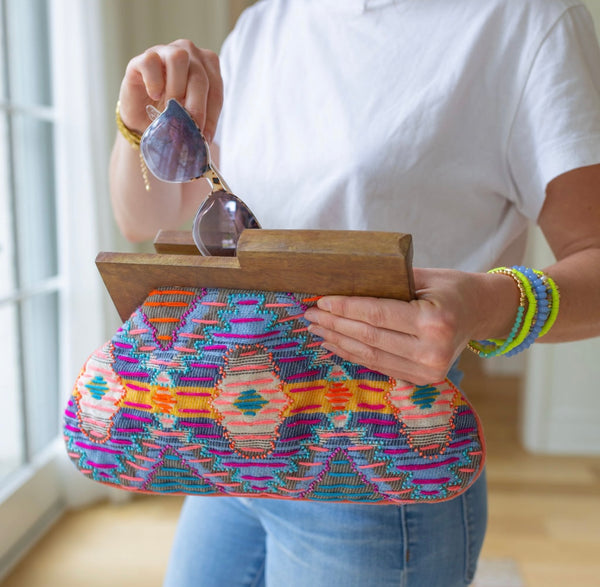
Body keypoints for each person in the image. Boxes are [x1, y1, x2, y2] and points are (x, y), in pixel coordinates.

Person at [109, 0, 600, 585]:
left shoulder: (526, 22)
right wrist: (137, 121)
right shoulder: (266, 25)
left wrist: (485, 306)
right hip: (228, 424)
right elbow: (150, 219)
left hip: (377, 452)